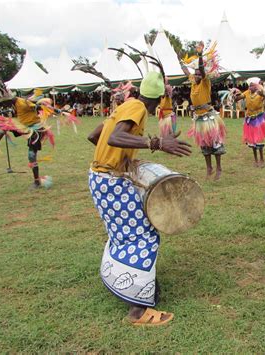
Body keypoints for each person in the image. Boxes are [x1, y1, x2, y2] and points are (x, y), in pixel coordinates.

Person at [87, 70, 192, 326]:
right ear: (160, 99)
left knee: (123, 233)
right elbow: (114, 137)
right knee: (144, 235)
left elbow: (94, 136)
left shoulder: (126, 104)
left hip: (100, 178)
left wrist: (121, 159)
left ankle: (121, 280)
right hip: (110, 182)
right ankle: (138, 311)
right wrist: (156, 143)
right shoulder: (138, 108)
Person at [181, 41, 226, 180]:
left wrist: (200, 55)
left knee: (214, 143)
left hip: (209, 117)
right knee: (204, 145)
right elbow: (186, 71)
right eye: (195, 75)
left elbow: (200, 67)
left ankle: (218, 167)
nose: (197, 76)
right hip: (199, 118)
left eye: (199, 74)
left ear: (203, 75)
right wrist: (180, 62)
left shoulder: (206, 82)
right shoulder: (193, 82)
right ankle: (209, 168)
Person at [0, 88, 55, 188]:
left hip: (36, 129)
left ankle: (37, 181)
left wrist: (55, 109)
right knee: (4, 125)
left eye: (5, 103)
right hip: (25, 126)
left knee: (31, 155)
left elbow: (39, 106)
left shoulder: (23, 103)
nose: (4, 105)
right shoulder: (13, 104)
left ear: (9, 100)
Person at [233, 77, 265, 167]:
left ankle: (262, 159)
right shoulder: (247, 93)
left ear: (256, 86)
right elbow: (238, 99)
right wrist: (235, 95)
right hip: (250, 119)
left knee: (259, 140)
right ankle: (256, 160)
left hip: (259, 119)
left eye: (252, 86)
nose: (250, 87)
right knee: (252, 141)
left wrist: (263, 95)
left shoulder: (260, 93)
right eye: (249, 86)